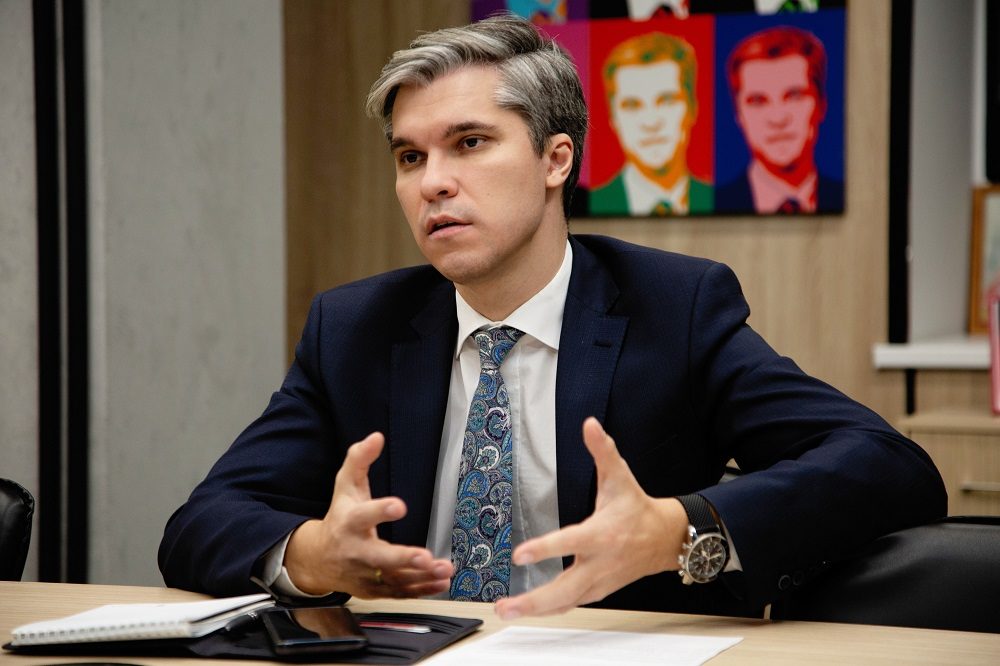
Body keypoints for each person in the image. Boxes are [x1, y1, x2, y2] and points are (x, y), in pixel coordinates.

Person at [159, 15, 944, 619]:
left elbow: (888, 466)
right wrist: (311, 556)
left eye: (470, 143)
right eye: (410, 157)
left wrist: (681, 529)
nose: (432, 183)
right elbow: (201, 523)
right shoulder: (355, 328)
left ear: (555, 160)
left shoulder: (673, 308)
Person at [715, 26, 844, 214]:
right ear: (739, 114)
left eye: (794, 96)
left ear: (821, 105)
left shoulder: (856, 199)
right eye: (758, 101)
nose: (778, 118)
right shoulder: (717, 204)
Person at [589, 32, 712, 216]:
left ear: (692, 108)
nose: (651, 122)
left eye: (667, 101)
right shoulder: (586, 205)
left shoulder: (724, 199)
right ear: (613, 119)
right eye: (632, 105)